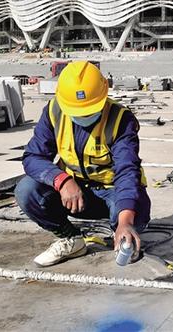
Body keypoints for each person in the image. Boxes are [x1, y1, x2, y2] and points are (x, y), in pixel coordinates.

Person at [15, 61, 151, 267]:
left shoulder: (120, 120)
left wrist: (125, 221)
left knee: (134, 210)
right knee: (27, 190)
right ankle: (71, 239)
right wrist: (61, 180)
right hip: (75, 195)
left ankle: (123, 233)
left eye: (89, 110)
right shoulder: (54, 112)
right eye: (77, 112)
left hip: (113, 195)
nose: (84, 116)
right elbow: (33, 157)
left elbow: (127, 171)